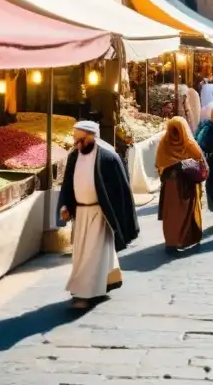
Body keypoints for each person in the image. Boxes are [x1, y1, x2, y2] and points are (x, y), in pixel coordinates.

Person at [58, 121, 140, 310]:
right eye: (75, 139)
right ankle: (99, 284)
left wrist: (119, 219)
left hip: (99, 215)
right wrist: (65, 206)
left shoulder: (107, 158)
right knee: (81, 255)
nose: (76, 143)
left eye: (79, 139)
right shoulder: (73, 157)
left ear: (91, 136)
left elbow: (121, 191)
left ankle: (84, 295)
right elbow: (68, 184)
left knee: (92, 256)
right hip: (80, 213)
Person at [155, 117, 205, 253]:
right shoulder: (189, 144)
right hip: (187, 184)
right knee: (186, 213)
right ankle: (184, 239)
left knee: (171, 215)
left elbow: (159, 164)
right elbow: (201, 163)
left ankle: (171, 242)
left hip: (170, 186)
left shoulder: (164, 143)